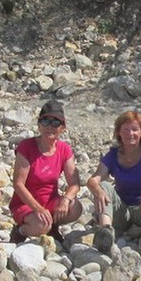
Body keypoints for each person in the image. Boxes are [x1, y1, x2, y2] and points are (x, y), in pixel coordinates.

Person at [86, 110, 141, 257]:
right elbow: (93, 179)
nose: (131, 134)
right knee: (103, 187)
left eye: (135, 129)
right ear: (119, 133)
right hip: (124, 210)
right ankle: (105, 232)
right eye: (126, 130)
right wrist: (97, 190)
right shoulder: (112, 155)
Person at [9, 100, 82, 241]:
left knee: (76, 207)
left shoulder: (64, 149)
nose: (50, 127)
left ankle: (52, 226)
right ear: (39, 124)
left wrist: (66, 200)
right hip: (26, 204)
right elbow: (18, 184)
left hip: (50, 201)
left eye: (55, 123)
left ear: (63, 127)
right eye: (45, 122)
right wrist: (37, 208)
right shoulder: (26, 147)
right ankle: (21, 231)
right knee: (41, 225)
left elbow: (74, 183)